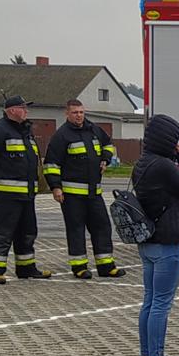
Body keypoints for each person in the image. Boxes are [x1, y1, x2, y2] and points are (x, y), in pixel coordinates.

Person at [130, 114, 179, 356]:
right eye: (175, 140)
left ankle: (146, 355)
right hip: (168, 240)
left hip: (148, 241)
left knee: (150, 300)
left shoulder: (142, 163)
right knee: (161, 303)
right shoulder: (164, 166)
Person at [0, 95, 52, 283]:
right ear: (11, 111)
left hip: (27, 193)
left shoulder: (25, 132)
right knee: (3, 232)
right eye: (23, 108)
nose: (26, 111)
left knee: (27, 231)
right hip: (7, 194)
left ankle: (26, 268)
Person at [43, 99, 122, 279]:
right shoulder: (61, 136)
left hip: (94, 193)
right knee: (76, 230)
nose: (79, 116)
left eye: (81, 112)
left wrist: (105, 158)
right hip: (72, 195)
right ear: (67, 114)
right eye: (75, 113)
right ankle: (79, 267)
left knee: (102, 227)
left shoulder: (93, 130)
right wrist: (56, 187)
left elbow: (108, 144)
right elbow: (51, 164)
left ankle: (106, 265)